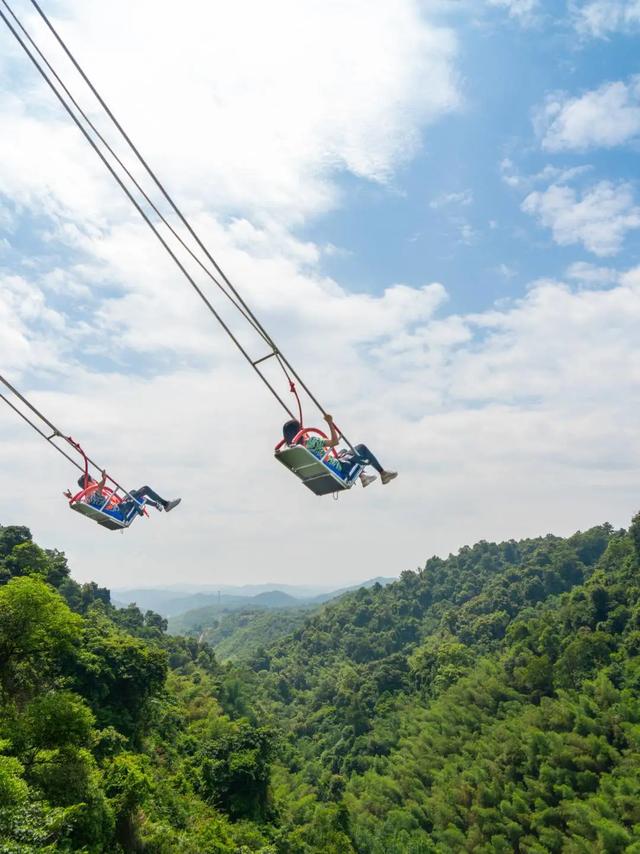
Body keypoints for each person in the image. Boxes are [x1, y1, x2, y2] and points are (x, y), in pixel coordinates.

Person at [282, 413, 398, 487]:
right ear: (298, 431)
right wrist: (330, 423)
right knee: (361, 448)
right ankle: (383, 473)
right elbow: (334, 442)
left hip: (319, 471)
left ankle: (363, 477)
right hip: (339, 467)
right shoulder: (311, 442)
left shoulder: (293, 450)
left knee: (342, 451)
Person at [65, 472, 181, 518]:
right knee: (144, 489)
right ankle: (165, 504)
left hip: (119, 507)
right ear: (89, 482)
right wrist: (103, 479)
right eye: (93, 479)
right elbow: (100, 488)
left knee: (132, 493)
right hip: (121, 509)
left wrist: (71, 498)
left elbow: (80, 502)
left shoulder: (87, 499)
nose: (95, 481)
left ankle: (156, 504)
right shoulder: (94, 494)